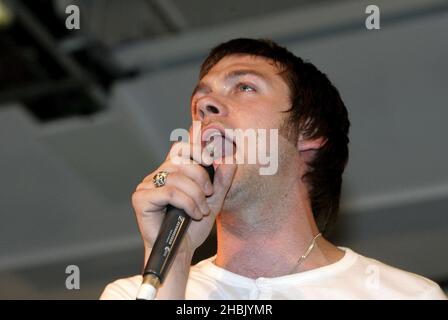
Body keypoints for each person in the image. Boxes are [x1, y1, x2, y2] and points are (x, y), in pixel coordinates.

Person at [100, 38, 446, 300]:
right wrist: (173, 258)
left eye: (245, 87)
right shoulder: (131, 294)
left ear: (308, 131)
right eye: (199, 104)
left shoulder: (406, 295)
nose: (204, 105)